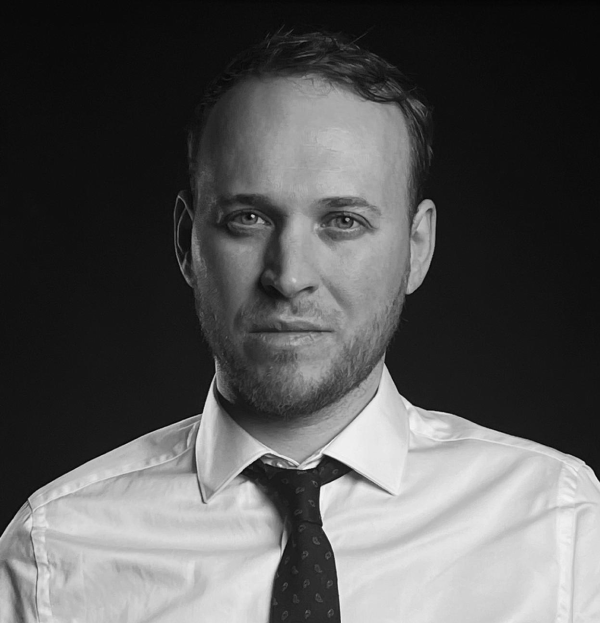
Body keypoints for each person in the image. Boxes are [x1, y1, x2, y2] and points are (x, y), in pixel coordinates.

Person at [1, 29, 598, 623]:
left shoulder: (564, 530)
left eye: (343, 221)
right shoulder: (52, 555)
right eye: (248, 218)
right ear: (187, 242)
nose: (289, 277)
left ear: (417, 248)